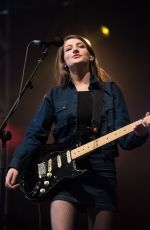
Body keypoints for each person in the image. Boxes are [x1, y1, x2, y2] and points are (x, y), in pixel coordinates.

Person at [5, 34, 149, 230]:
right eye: (68, 48)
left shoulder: (110, 90)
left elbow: (124, 140)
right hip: (62, 173)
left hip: (102, 172)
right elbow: (34, 134)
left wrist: (140, 132)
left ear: (90, 56)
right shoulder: (56, 94)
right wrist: (16, 164)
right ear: (64, 61)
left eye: (80, 46)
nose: (74, 49)